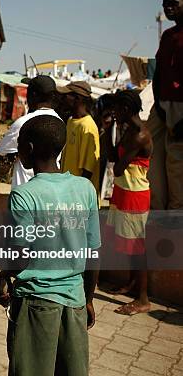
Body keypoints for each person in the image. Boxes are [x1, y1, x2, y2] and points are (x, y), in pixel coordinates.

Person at [0, 115, 101, 376]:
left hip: (35, 302)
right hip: (75, 300)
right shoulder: (85, 188)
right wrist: (87, 299)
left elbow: (20, 255)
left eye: (19, 146)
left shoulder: (24, 194)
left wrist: (4, 275)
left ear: (27, 149)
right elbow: (94, 253)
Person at [104, 90, 153, 315]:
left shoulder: (139, 134)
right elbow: (113, 156)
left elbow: (118, 167)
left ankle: (143, 299)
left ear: (125, 109)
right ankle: (133, 285)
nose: (114, 113)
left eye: (116, 109)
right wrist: (106, 131)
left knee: (137, 247)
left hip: (135, 194)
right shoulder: (128, 130)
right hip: (124, 190)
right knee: (130, 244)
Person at [147, 0, 183, 210]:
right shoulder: (168, 36)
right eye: (165, 4)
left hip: (181, 107)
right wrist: (158, 104)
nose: (168, 8)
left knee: (177, 162)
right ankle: (158, 209)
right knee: (152, 154)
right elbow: (158, 73)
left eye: (173, 3)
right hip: (161, 105)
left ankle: (177, 215)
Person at [0, 75, 61, 187]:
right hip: (51, 188)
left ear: (33, 95)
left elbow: (2, 151)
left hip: (25, 189)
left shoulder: (22, 123)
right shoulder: (60, 122)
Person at [59, 81, 101, 195]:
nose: (62, 99)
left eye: (66, 95)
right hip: (67, 190)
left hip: (78, 195)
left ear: (77, 98)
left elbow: (87, 170)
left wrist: (77, 197)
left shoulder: (87, 126)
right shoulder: (70, 121)